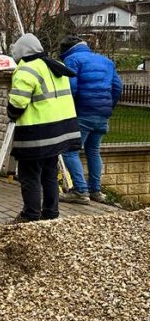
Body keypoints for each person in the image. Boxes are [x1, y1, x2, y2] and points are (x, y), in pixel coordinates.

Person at [7, 33, 82, 223]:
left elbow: (17, 103)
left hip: (37, 134)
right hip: (60, 131)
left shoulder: (27, 70)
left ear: (21, 53)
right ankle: (50, 214)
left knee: (29, 175)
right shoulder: (56, 66)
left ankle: (30, 215)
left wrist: (11, 113)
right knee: (49, 174)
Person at [58, 36, 123, 205]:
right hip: (102, 114)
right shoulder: (106, 61)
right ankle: (95, 190)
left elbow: (71, 87)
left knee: (70, 151)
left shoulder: (72, 60)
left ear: (66, 51)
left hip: (82, 112)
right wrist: (107, 107)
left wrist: (68, 110)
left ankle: (80, 191)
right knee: (93, 150)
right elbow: (117, 87)